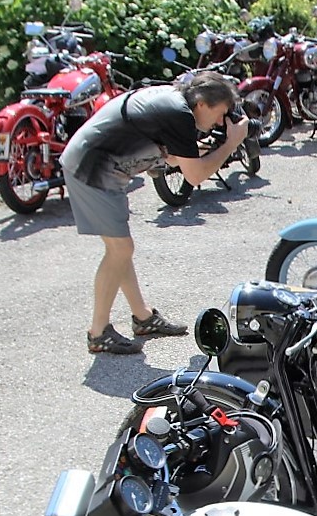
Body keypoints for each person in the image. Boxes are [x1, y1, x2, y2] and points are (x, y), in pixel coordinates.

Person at [60, 72, 252, 355]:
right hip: (93, 167)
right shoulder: (178, 113)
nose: (220, 122)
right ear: (202, 104)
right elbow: (195, 174)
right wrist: (231, 144)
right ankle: (98, 333)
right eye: (220, 114)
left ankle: (143, 316)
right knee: (120, 249)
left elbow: (173, 157)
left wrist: (204, 149)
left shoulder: (174, 102)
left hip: (103, 166)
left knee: (120, 249)